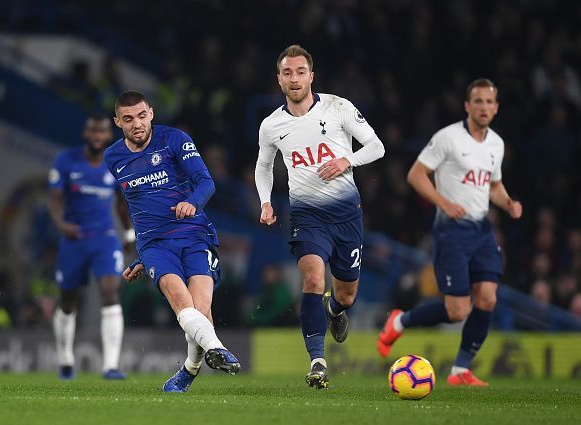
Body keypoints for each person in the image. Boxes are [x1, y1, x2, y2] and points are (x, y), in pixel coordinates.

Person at [254, 45, 385, 389]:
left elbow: (376, 146)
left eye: (300, 72)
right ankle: (317, 362)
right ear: (279, 79)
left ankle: (336, 311)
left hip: (346, 217)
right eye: (287, 73)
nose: (294, 78)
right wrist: (265, 202)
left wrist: (347, 161)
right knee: (313, 280)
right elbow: (263, 166)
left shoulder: (339, 107)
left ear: (311, 76)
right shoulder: (271, 126)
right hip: (306, 215)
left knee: (346, 295)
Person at [377, 79, 523, 386]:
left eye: (489, 102)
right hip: (450, 232)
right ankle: (400, 320)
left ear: (495, 108)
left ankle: (460, 370)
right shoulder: (448, 138)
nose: (483, 107)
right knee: (458, 310)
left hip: (482, 231)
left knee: (487, 299)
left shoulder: (497, 143)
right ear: (467, 106)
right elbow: (416, 175)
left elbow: (492, 185)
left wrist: (508, 202)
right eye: (478, 102)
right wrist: (444, 202)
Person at [104, 90, 240, 393]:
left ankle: (189, 370)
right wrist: (141, 255)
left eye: (141, 116)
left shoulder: (174, 139)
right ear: (118, 122)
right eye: (128, 119)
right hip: (154, 245)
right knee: (181, 302)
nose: (137, 124)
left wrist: (193, 202)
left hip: (194, 234)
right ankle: (218, 349)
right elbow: (136, 205)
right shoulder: (113, 158)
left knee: (200, 310)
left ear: (151, 113)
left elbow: (206, 182)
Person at [48, 113, 134, 380]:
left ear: (109, 136)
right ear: (86, 134)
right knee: (67, 301)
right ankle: (65, 358)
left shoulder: (113, 163)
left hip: (104, 238)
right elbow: (53, 199)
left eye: (102, 132)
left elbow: (121, 203)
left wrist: (130, 234)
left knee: (110, 291)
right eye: (93, 132)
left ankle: (110, 365)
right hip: (73, 239)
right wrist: (61, 224)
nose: (97, 137)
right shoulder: (66, 159)